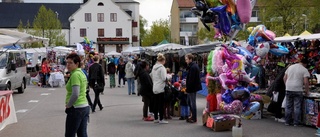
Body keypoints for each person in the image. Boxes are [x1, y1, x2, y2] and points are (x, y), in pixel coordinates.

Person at [64, 53, 90, 137]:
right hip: (84, 106)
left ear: (77, 64)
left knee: (70, 134)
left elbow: (75, 94)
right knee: (82, 134)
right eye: (67, 62)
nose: (68, 65)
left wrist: (68, 105)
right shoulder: (81, 73)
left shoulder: (75, 75)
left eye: (71, 63)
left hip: (76, 108)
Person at [283, 58, 310, 126]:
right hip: (298, 89)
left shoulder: (290, 67)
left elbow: (284, 78)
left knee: (288, 106)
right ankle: (296, 122)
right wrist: (307, 91)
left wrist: (287, 85)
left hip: (289, 88)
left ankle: (287, 121)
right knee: (297, 106)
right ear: (305, 64)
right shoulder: (304, 69)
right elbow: (306, 82)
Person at [150, 53, 168, 124]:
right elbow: (164, 78)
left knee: (155, 103)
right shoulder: (162, 68)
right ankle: (161, 118)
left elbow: (151, 76)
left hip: (155, 87)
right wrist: (169, 77)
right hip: (160, 87)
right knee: (161, 104)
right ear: (163, 60)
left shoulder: (154, 67)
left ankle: (156, 118)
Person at [185, 53, 202, 123]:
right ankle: (192, 116)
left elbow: (191, 80)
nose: (186, 61)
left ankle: (194, 117)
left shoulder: (193, 67)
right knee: (190, 102)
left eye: (186, 59)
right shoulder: (193, 66)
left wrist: (187, 89)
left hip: (192, 88)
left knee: (192, 103)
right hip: (192, 87)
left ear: (190, 59)